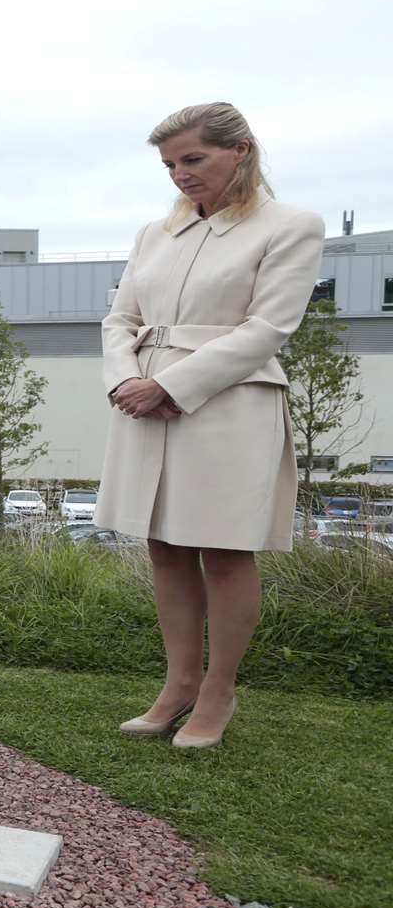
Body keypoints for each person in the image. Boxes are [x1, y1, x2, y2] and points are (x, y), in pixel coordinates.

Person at [96, 104, 324, 749]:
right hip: (141, 400)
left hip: (229, 402)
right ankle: (179, 684)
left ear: (241, 150)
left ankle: (218, 690)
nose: (179, 175)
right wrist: (125, 381)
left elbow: (269, 328)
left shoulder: (290, 226)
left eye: (192, 159)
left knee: (224, 547)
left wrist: (172, 383)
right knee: (163, 543)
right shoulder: (153, 234)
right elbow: (120, 319)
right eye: (169, 164)